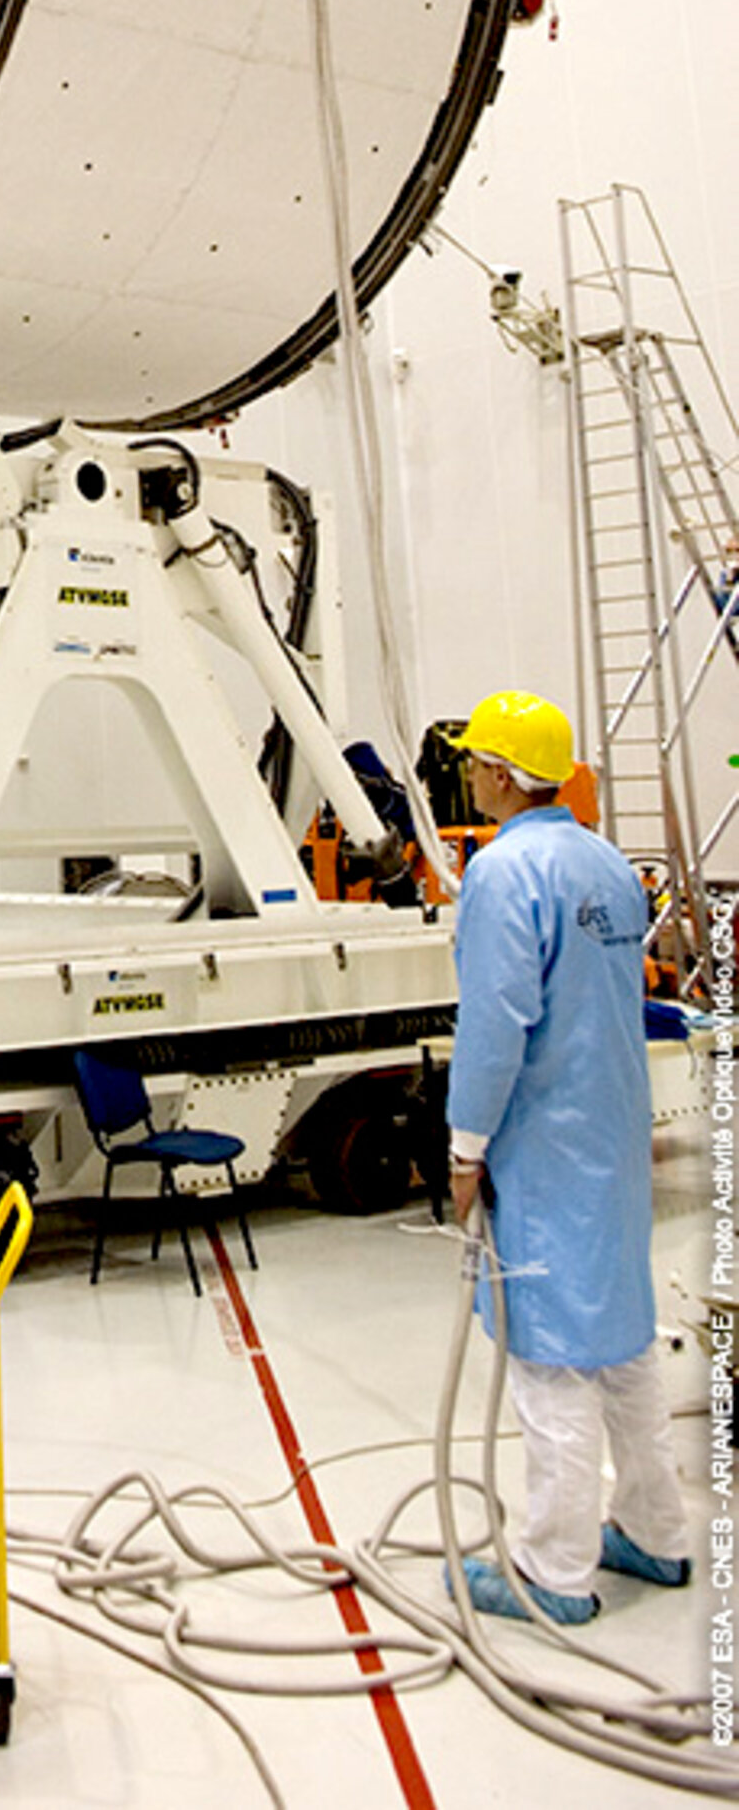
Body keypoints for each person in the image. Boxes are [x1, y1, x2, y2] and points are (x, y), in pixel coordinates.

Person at [444, 689, 691, 1624]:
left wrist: (467, 1146)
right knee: (622, 1344)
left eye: (477, 759)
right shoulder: (606, 864)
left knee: (551, 1360)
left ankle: (555, 1569)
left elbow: (496, 1025)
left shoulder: (507, 872)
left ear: (503, 774)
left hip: (545, 1148)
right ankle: (658, 1535)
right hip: (615, 1136)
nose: (470, 771)